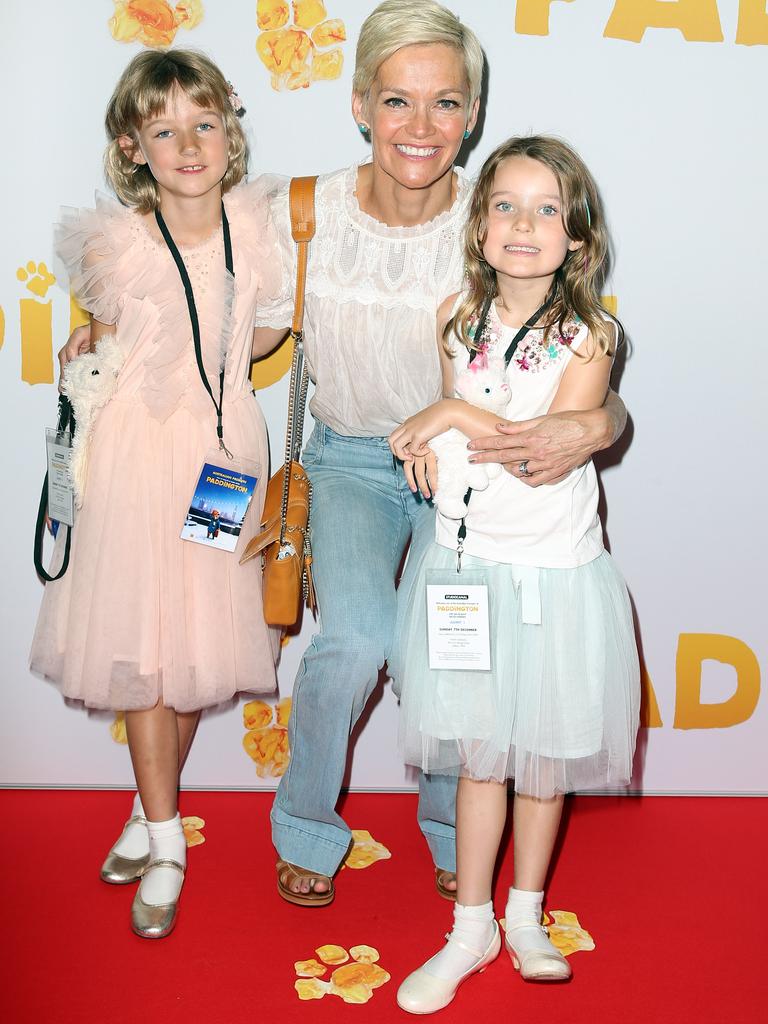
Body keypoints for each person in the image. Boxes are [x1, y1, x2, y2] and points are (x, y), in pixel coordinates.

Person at [251, 0, 628, 908]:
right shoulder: (305, 215)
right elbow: (226, 343)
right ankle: (305, 823)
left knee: (459, 651)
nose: (422, 128)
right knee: (352, 637)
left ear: (473, 111)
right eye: (397, 102)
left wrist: (604, 420)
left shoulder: (502, 214)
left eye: (447, 103)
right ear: (358, 104)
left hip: (473, 481)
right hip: (349, 460)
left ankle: (452, 824)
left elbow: (574, 345)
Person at [30, 49, 281, 938]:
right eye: (163, 128)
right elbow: (98, 336)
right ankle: (170, 843)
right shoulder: (115, 243)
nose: (187, 143)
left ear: (230, 133)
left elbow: (259, 341)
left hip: (222, 462)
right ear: (132, 146)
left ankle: (147, 812)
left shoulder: (262, 232)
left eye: (204, 123)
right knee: (144, 646)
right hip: (136, 460)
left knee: (192, 645)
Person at [388, 135, 640, 1013]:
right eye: (504, 205)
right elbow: (459, 451)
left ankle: (526, 914)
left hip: (554, 578)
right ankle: (470, 927)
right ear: (479, 223)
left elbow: (539, 455)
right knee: (480, 762)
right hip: (469, 570)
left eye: (546, 209)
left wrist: (450, 412)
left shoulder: (593, 334)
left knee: (540, 762)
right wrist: (440, 440)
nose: (523, 225)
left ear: (577, 235)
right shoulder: (455, 318)